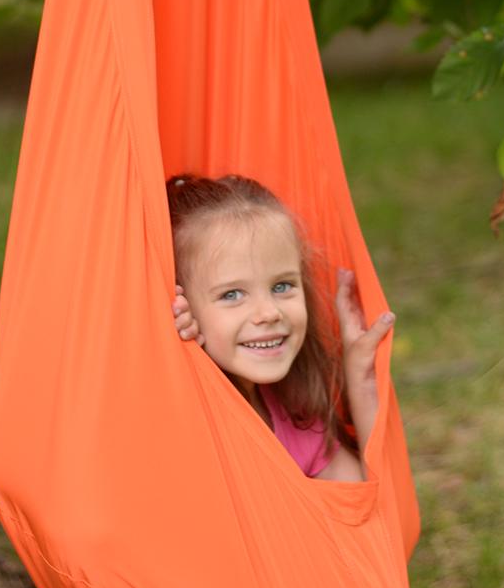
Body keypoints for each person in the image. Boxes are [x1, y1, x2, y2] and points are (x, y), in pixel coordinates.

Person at [167, 174, 394, 482]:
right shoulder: (182, 422)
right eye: (232, 294)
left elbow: (365, 508)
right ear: (183, 308)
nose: (269, 313)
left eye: (282, 285)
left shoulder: (297, 424)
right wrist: (170, 345)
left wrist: (361, 380)